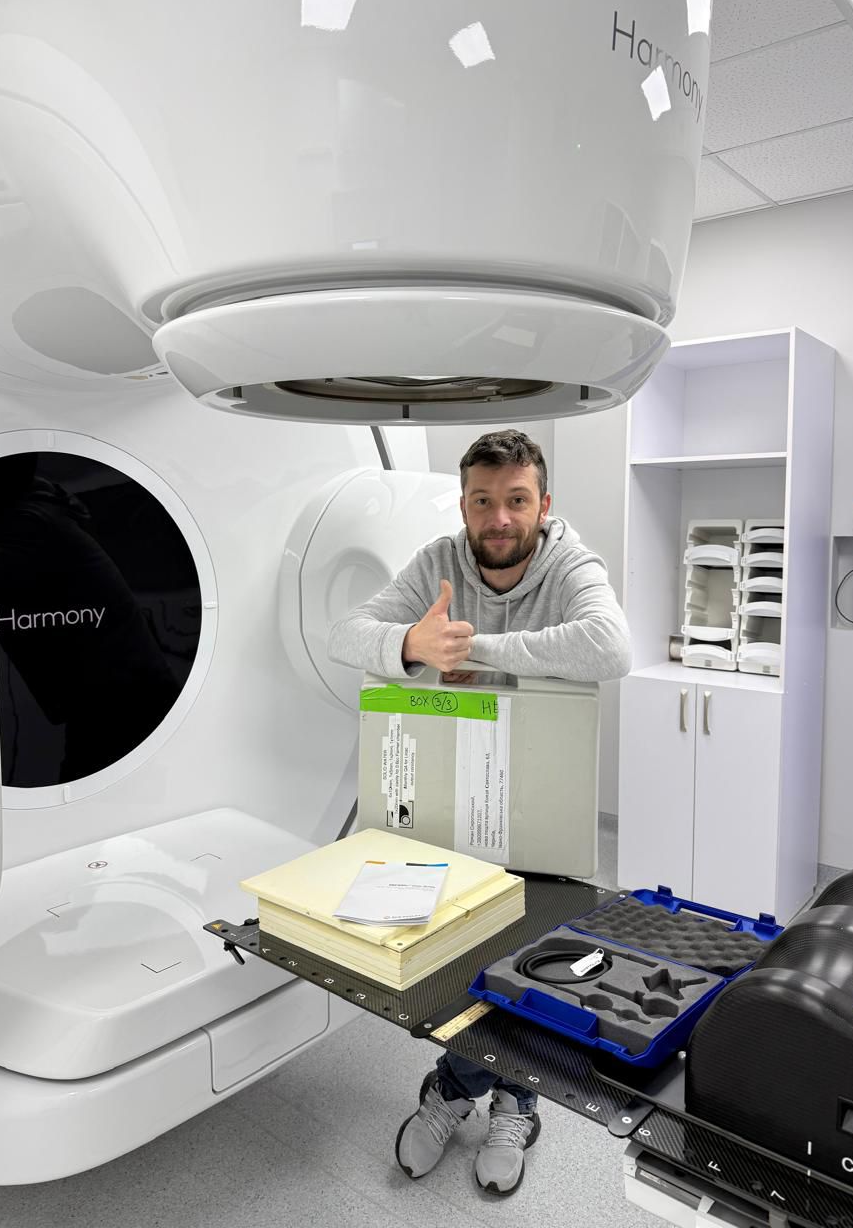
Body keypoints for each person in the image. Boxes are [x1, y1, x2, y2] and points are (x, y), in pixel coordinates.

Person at [327, 429, 631, 1196]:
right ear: (463, 504)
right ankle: (499, 1097)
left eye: (516, 500)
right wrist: (411, 640)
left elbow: (610, 647)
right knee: (462, 963)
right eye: (483, 501)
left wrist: (475, 651)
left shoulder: (571, 563)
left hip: (541, 798)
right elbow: (344, 634)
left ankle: (471, 1094)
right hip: (458, 798)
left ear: (543, 504)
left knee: (528, 964)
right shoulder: (437, 560)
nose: (500, 518)